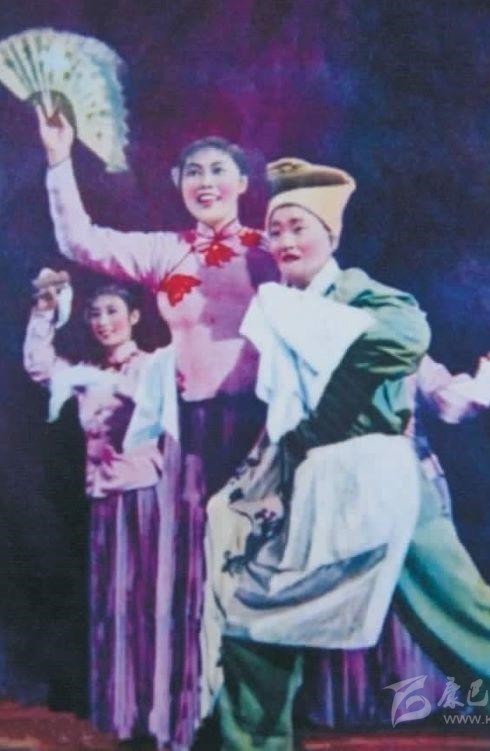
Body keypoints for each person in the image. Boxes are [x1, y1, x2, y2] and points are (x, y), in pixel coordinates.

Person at [212, 158, 490, 751]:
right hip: (313, 485)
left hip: (380, 480)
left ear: (331, 233)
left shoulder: (367, 297)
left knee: (466, 618)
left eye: (298, 227)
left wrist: (323, 421)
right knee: (254, 618)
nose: (285, 240)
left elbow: (405, 341)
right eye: (276, 230)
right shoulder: (277, 309)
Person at [35, 110, 277, 749]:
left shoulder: (271, 247)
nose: (205, 181)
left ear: (243, 182)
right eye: (193, 171)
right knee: (186, 577)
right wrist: (59, 159)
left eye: (218, 170)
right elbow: (81, 242)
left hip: (260, 428)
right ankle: (185, 720)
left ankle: (254, 721)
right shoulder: (167, 251)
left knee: (254, 573)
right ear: (177, 183)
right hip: (190, 433)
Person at [300, 350, 490, 728]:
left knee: (422, 588)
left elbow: (449, 402)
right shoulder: (322, 350)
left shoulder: (404, 351)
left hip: (405, 483)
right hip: (348, 485)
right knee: (354, 590)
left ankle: (411, 697)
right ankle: (354, 701)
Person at [23, 275, 167, 745]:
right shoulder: (85, 372)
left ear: (134, 317)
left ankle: (152, 713)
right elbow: (39, 366)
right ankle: (119, 711)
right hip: (104, 499)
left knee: (143, 603)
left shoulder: (153, 366)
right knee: (111, 604)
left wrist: (112, 385)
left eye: (112, 312)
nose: (103, 322)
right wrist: (45, 310)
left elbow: (159, 410)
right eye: (94, 314)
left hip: (144, 498)